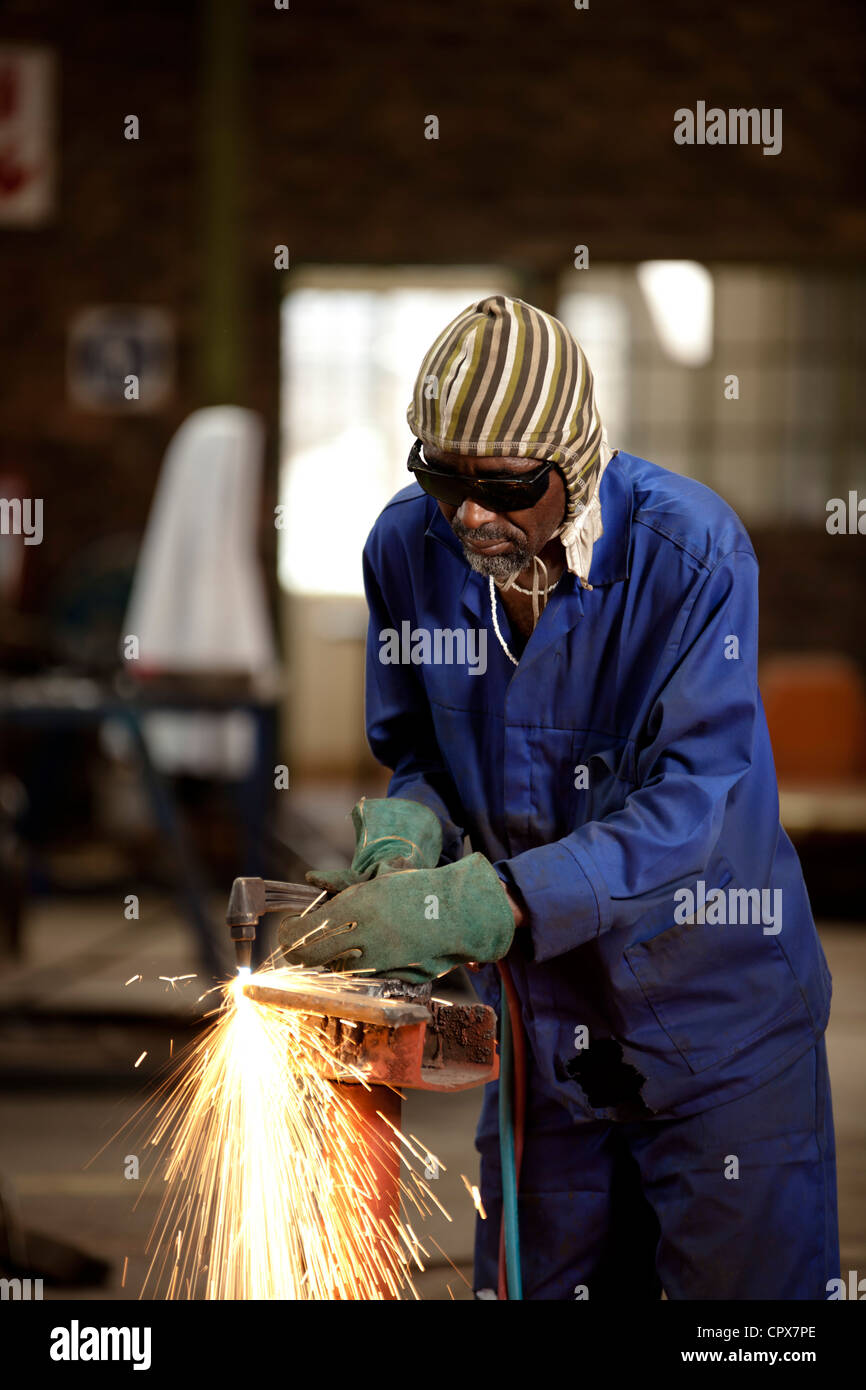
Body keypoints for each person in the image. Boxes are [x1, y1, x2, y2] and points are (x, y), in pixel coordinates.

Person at [280, 294, 839, 1300]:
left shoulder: (688, 555)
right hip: (544, 1032)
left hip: (716, 1016)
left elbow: (693, 797)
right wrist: (402, 842)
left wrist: (492, 902)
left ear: (573, 465)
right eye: (440, 477)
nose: (467, 516)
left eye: (502, 487)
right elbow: (418, 749)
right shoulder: (407, 548)